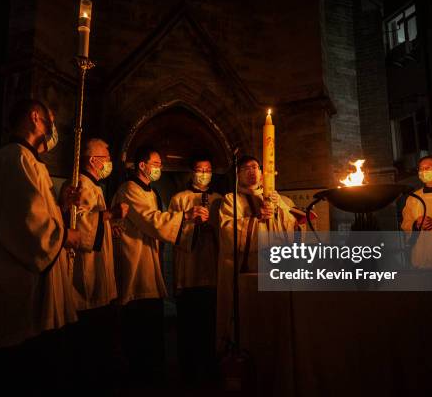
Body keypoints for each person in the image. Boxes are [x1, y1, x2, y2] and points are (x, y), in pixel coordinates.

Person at [0, 99, 81, 389]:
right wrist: (64, 236)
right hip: (16, 284)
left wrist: (62, 208)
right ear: (34, 117)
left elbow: (38, 212)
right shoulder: (14, 159)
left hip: (28, 280)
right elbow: (24, 222)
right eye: (50, 120)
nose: (53, 128)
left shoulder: (27, 161)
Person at [111, 145, 209, 384]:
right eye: (155, 164)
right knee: (139, 326)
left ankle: (153, 374)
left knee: (153, 325)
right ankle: (140, 378)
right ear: (142, 166)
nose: (159, 169)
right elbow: (151, 221)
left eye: (160, 165)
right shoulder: (129, 189)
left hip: (150, 260)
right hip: (135, 261)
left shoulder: (152, 192)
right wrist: (185, 217)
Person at [216, 155, 298, 394]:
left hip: (274, 271)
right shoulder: (230, 200)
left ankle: (277, 371)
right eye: (245, 168)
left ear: (264, 172)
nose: (252, 172)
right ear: (238, 174)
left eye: (256, 167)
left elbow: (291, 233)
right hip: (243, 273)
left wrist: (279, 211)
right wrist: (257, 219)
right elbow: (228, 234)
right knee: (246, 326)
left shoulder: (280, 199)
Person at [61, 138, 129, 388]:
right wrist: (110, 215)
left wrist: (108, 229)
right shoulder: (78, 185)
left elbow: (95, 224)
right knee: (89, 339)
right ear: (93, 160)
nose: (109, 163)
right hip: (85, 272)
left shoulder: (94, 187)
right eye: (107, 159)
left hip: (99, 268)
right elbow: (75, 225)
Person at [168, 155, 222, 384]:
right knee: (187, 327)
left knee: (210, 326)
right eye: (199, 169)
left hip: (212, 270)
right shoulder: (179, 199)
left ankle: (211, 369)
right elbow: (170, 228)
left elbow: (228, 232)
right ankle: (187, 372)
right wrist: (191, 225)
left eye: (208, 169)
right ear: (192, 172)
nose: (203, 173)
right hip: (188, 271)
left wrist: (214, 228)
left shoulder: (220, 199)